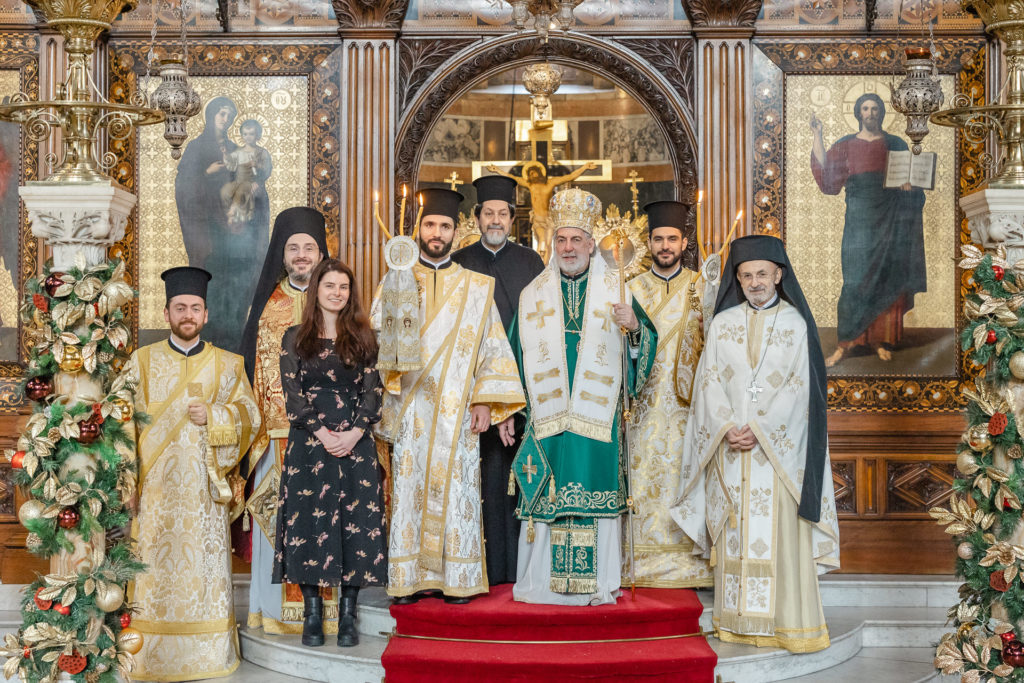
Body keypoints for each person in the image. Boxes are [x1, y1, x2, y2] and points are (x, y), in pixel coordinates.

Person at [671, 235, 840, 653]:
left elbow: (803, 391)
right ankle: (736, 623)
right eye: (746, 275)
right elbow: (707, 384)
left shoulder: (796, 325)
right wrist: (727, 426)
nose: (754, 282)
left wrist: (759, 429)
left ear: (778, 275)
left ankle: (788, 627)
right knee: (736, 537)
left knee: (779, 540)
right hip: (731, 453)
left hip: (778, 457)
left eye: (762, 274)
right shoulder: (723, 324)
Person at [370, 187, 525, 604]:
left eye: (444, 226)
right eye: (430, 225)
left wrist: (483, 400)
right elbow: (376, 341)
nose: (436, 233)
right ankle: (407, 580)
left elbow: (493, 348)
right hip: (411, 411)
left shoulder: (477, 286)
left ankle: (458, 577)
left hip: (458, 413)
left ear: (458, 232)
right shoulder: (395, 280)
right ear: (418, 229)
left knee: (457, 493)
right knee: (409, 493)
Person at [510, 188, 657, 605]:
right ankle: (540, 586)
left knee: (592, 493)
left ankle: (597, 585)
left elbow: (645, 353)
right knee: (547, 495)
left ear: (591, 245)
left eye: (576, 239)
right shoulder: (531, 294)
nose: (568, 247)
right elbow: (514, 359)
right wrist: (509, 413)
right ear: (552, 245)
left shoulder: (619, 288)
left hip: (597, 420)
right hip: (548, 418)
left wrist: (634, 330)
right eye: (561, 240)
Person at [123, 266, 260, 680]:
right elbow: (120, 424)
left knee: (202, 575)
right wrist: (127, 482)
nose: (187, 314)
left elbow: (251, 419)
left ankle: (207, 655)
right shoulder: (140, 363)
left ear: (206, 314)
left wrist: (217, 416)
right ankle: (147, 653)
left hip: (205, 493)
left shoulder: (228, 365)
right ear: (165, 313)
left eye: (194, 308)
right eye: (179, 307)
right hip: (156, 493)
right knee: (152, 572)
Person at [274, 259, 386, 648]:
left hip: (357, 443)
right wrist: (324, 434)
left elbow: (373, 392)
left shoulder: (365, 338)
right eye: (329, 286)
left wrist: (354, 433)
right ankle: (312, 616)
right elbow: (293, 395)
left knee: (357, 523)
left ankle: (349, 616)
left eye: (343, 287)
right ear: (316, 290)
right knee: (308, 527)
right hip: (310, 443)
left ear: (350, 294)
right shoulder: (293, 337)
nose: (337, 293)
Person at [240, 207, 330, 636]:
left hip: (330, 439)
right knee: (277, 520)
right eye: (293, 248)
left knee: (325, 520)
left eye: (308, 248)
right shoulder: (268, 307)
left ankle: (326, 612)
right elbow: (253, 372)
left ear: (320, 252)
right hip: (277, 436)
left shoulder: (336, 300)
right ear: (283, 253)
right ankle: (271, 611)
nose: (300, 255)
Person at [452, 175, 545, 584]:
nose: (495, 220)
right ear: (476, 217)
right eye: (487, 213)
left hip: (527, 392)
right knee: (483, 481)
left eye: (502, 214)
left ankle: (521, 570)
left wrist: (518, 397)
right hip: (473, 396)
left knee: (521, 480)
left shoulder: (531, 263)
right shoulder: (458, 263)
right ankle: (483, 570)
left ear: (512, 218)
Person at [624, 200, 712, 588]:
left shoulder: (702, 286)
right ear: (648, 243)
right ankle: (637, 565)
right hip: (641, 404)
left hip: (686, 407)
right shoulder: (630, 289)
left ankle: (690, 566)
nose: (665, 245)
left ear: (684, 242)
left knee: (683, 481)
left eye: (671, 239)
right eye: (658, 238)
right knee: (641, 482)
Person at [810, 92, 927, 367]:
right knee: (854, 279)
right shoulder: (846, 144)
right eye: (865, 108)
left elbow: (913, 181)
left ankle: (880, 341)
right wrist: (818, 134)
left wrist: (910, 188)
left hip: (890, 221)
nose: (871, 113)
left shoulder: (896, 143)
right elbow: (827, 176)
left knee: (886, 277)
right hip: (860, 219)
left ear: (881, 113)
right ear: (858, 113)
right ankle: (845, 344)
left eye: (875, 108)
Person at [485, 161, 597, 263]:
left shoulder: (550, 183)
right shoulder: (530, 184)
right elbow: (512, 177)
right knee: (542, 242)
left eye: (535, 173)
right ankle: (539, 266)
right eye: (530, 174)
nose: (533, 176)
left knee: (548, 244)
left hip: (548, 220)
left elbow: (570, 176)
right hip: (538, 220)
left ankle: (545, 266)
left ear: (540, 173)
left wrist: (585, 167)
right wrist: (497, 170)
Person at [221, 119, 273, 234]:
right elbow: (230, 163)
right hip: (239, 182)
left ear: (257, 136)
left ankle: (234, 209)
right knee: (225, 191)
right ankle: (230, 214)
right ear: (241, 135)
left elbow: (267, 170)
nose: (248, 137)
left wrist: (257, 166)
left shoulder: (262, 152)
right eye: (245, 134)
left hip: (253, 185)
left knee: (242, 189)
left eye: (251, 134)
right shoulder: (239, 151)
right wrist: (225, 154)